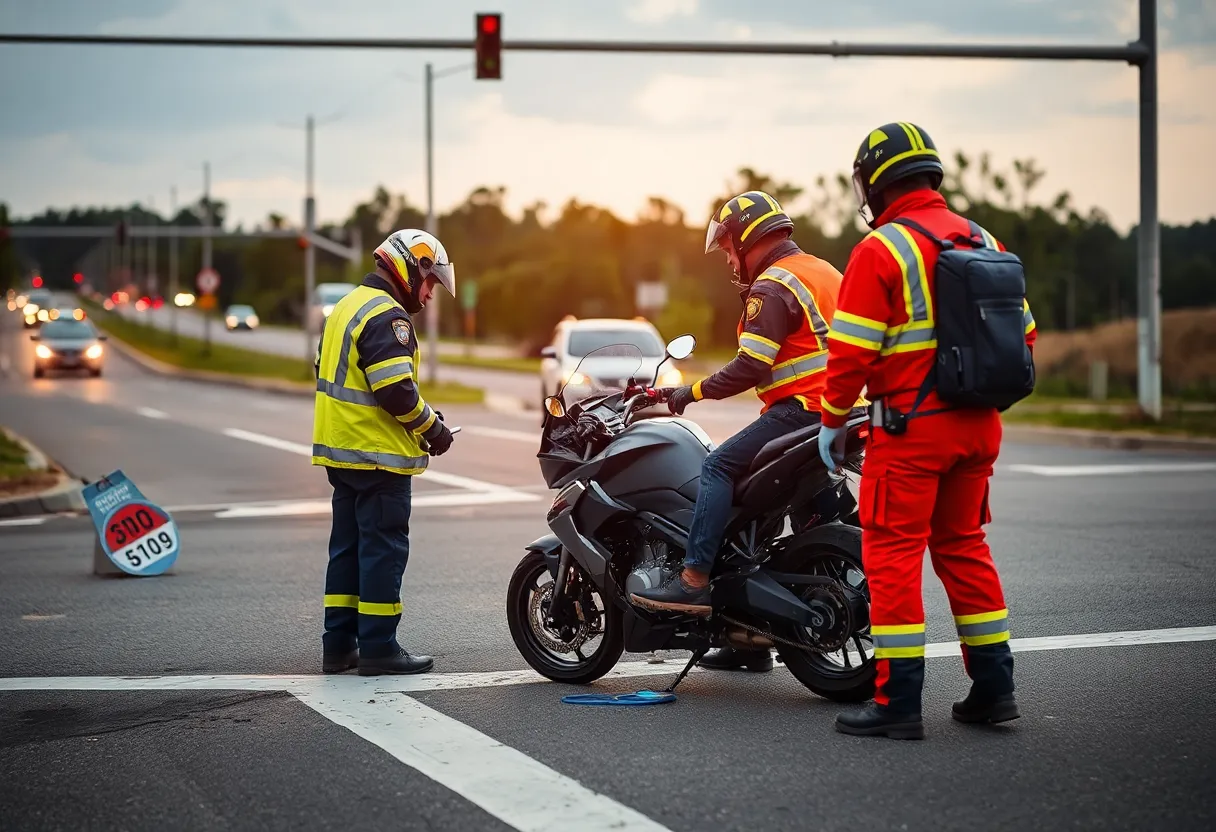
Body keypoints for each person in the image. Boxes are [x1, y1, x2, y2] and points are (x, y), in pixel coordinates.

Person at [818, 122, 1037, 739]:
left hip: (911, 433)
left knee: (891, 556)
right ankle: (995, 689)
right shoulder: (984, 238)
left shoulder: (882, 249)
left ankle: (898, 703)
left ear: (877, 183)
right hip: (978, 430)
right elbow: (1024, 335)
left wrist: (832, 422)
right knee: (964, 547)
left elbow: (852, 353)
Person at [630, 190, 846, 676]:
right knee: (763, 505)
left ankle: (693, 578)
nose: (729, 260)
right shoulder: (822, 270)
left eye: (728, 248)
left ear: (748, 239)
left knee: (719, 465)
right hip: (842, 411)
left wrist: (687, 393)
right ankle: (748, 639)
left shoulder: (772, 284)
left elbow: (752, 364)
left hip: (802, 410)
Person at [312, 228, 457, 676]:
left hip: (343, 452)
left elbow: (325, 368)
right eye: (431, 283)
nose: (430, 295)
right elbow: (395, 390)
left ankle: (338, 646)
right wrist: (434, 429)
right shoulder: (388, 316)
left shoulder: (347, 306)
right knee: (383, 550)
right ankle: (378, 647)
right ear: (415, 268)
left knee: (348, 550)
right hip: (377, 456)